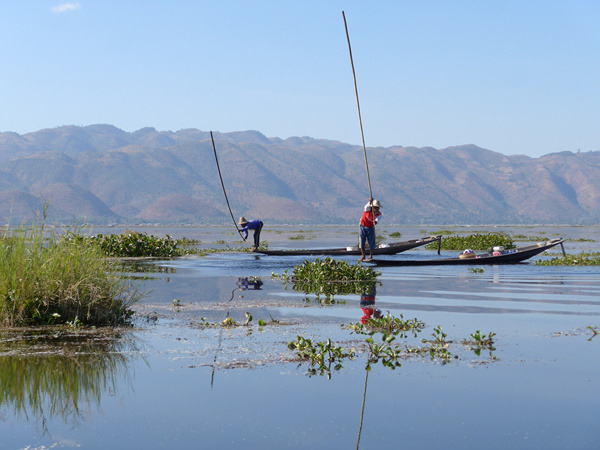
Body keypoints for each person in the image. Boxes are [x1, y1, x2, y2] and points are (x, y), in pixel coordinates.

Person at [358, 197, 382, 262]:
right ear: (372, 206)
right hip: (363, 225)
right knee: (362, 241)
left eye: (378, 207)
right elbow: (365, 207)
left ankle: (370, 256)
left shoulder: (379, 214)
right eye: (375, 207)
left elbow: (377, 220)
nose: (377, 209)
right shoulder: (368, 209)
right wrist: (370, 201)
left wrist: (375, 222)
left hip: (370, 227)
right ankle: (363, 256)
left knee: (371, 241)